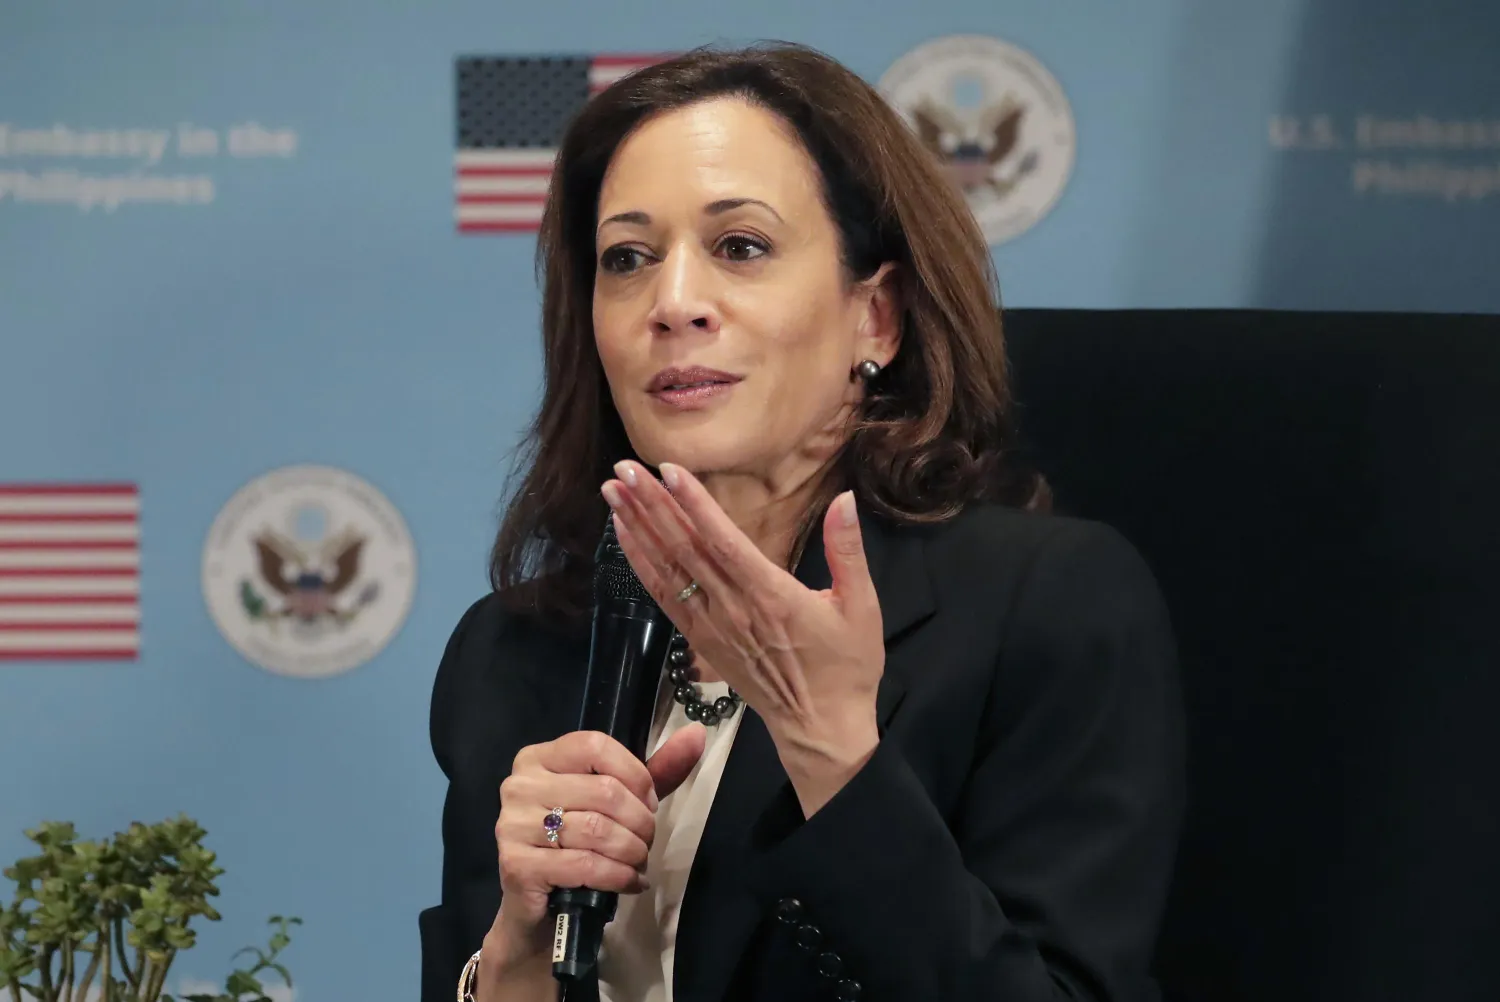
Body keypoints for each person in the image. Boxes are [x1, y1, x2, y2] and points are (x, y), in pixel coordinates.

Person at [419, 41, 1185, 1002]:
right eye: (628, 258)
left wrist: (837, 760)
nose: (675, 302)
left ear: (879, 316)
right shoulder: (510, 652)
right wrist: (518, 953)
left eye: (740, 247)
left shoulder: (1047, 609)